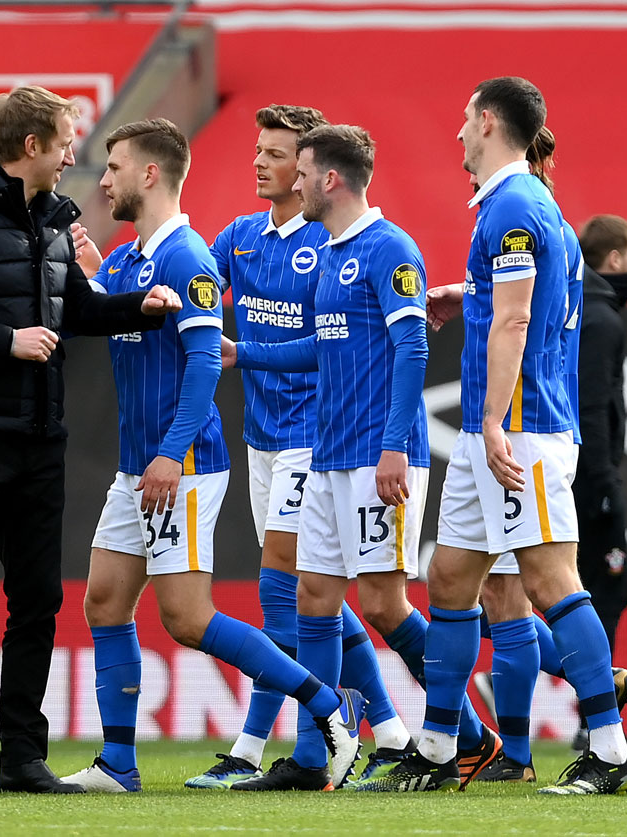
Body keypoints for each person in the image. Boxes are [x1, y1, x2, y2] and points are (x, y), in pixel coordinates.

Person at [0, 86, 181, 795]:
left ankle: (22, 755)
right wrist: (4, 341)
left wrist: (136, 311)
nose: (75, 154)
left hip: (39, 435)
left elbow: (72, 307)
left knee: (37, 597)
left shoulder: (54, 222)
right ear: (32, 148)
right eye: (65, 141)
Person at [62, 118, 364, 793]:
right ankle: (117, 764)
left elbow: (205, 363)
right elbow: (103, 302)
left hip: (183, 467)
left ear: (149, 174)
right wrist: (85, 264)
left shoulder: (187, 257)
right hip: (134, 469)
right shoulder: (131, 258)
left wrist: (171, 454)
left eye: (114, 167)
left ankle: (329, 710)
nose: (103, 180)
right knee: (105, 602)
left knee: (188, 618)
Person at [222, 124, 500, 792]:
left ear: (331, 180)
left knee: (381, 603)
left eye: (304, 170)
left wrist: (392, 448)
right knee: (312, 596)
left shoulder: (390, 250)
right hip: (326, 455)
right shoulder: (329, 253)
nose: (294, 181)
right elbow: (321, 348)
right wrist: (246, 354)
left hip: (380, 457)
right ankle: (320, 754)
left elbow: (413, 350)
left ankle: (464, 734)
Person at [387, 77, 627, 795]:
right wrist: (461, 295)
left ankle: (610, 750)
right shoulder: (519, 205)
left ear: (490, 122)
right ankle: (440, 749)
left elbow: (519, 319)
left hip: (519, 428)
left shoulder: (518, 205)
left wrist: (496, 418)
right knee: (451, 579)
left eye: (465, 117)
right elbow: (518, 296)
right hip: (490, 427)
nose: (459, 131)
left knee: (550, 579)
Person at [186, 105, 416, 790]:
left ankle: (256, 744)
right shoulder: (241, 237)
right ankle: (397, 731)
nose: (259, 162)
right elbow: (188, 273)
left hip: (314, 437)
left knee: (281, 589)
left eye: (277, 154)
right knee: (319, 596)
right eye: (258, 151)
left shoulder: (338, 246)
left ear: (312, 171)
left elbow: (347, 346)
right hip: (262, 439)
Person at [569, 213, 627, 754]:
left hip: (575, 473)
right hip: (590, 479)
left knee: (574, 593)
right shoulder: (601, 319)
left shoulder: (581, 309)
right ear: (615, 260)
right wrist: (600, 483)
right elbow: (592, 407)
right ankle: (598, 722)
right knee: (602, 591)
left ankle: (593, 718)